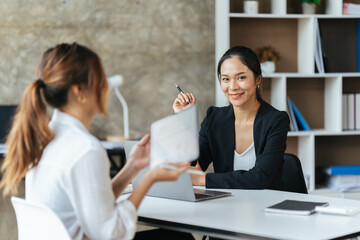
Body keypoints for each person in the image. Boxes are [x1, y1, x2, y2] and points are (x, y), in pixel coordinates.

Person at [0, 42, 192, 240]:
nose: (105, 88)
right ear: (79, 91)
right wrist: (149, 178)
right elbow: (111, 233)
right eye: (100, 80)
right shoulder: (85, 149)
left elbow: (94, 204)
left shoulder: (45, 138)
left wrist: (132, 168)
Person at [173, 46, 290, 190]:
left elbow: (260, 178)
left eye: (241, 77)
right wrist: (185, 119)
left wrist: (203, 179)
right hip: (226, 204)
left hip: (266, 205)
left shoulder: (276, 121)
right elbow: (192, 166)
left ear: (258, 79)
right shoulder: (214, 118)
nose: (233, 87)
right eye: (226, 79)